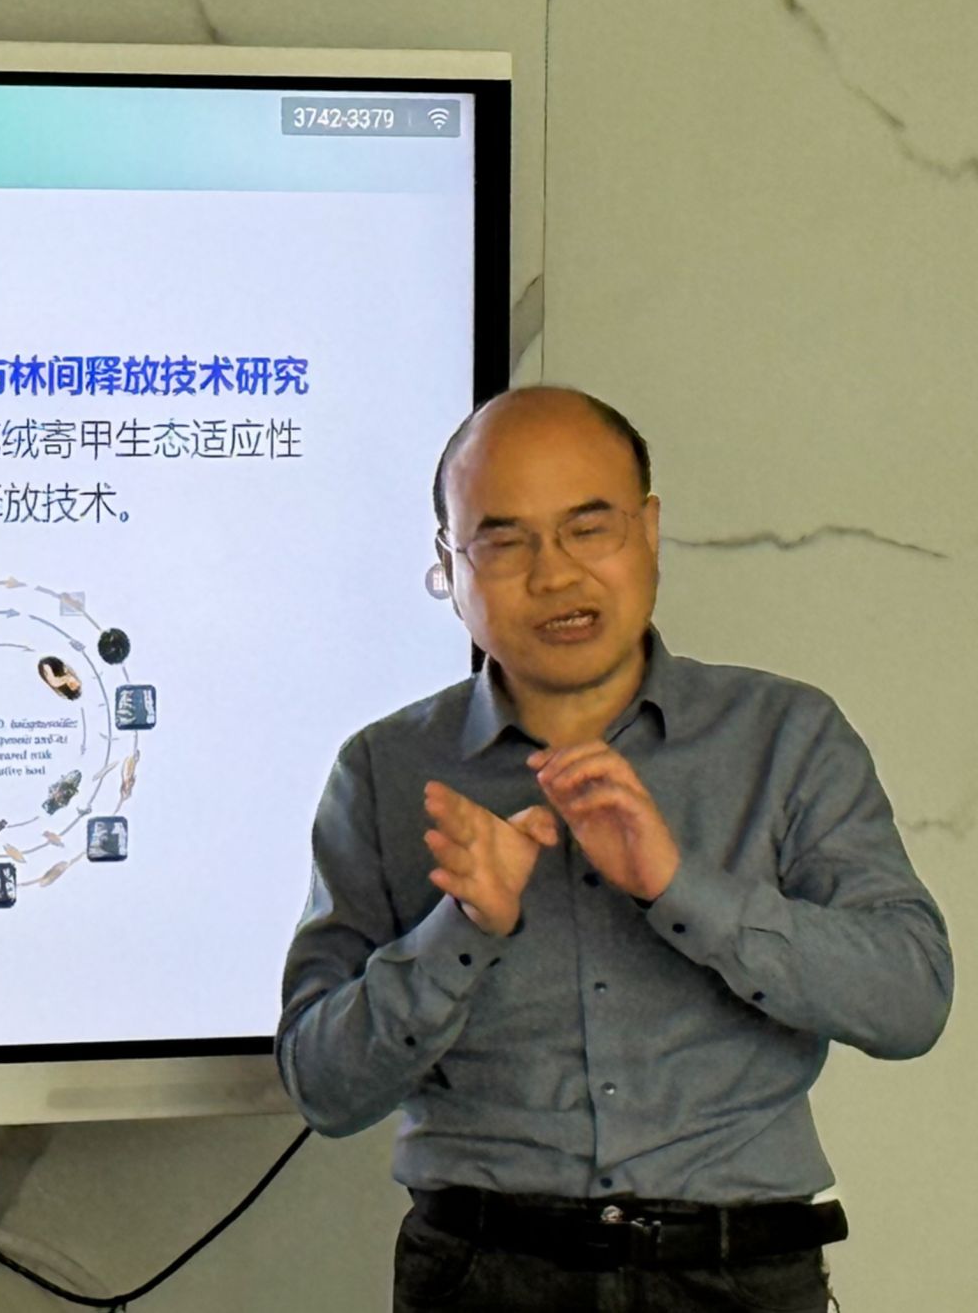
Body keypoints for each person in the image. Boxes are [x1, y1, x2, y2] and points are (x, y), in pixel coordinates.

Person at [276, 386, 952, 1312]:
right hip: (484, 1276)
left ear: (650, 531)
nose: (555, 576)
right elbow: (322, 1087)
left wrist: (679, 886)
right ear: (448, 567)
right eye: (505, 542)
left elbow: (912, 1000)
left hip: (737, 1276)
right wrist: (460, 930)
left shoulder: (785, 736)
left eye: (588, 529)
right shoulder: (386, 772)